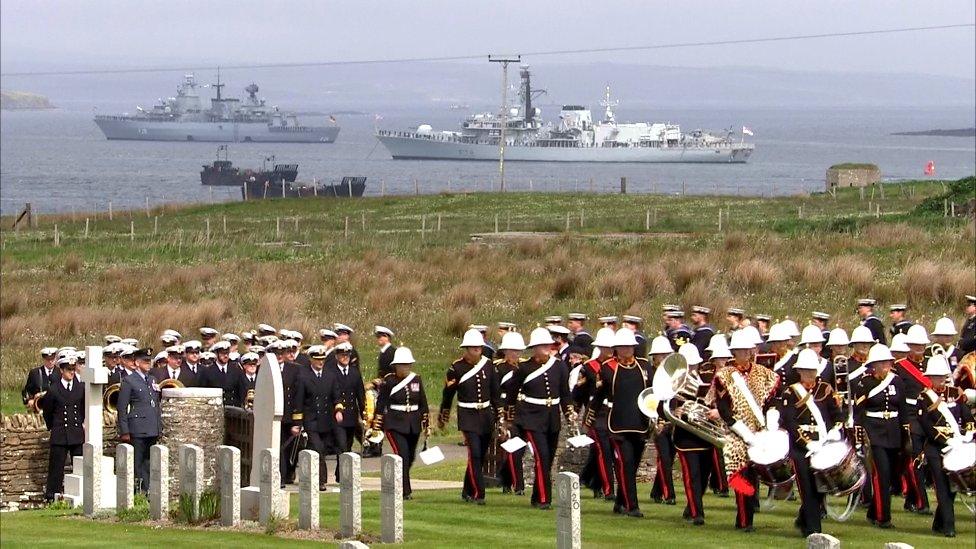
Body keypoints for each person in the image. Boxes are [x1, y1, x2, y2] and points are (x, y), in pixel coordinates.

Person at [713, 330, 780, 533]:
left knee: (755, 476)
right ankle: (744, 520)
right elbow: (724, 410)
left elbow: (772, 401)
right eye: (739, 351)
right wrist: (744, 433)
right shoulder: (723, 376)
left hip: (760, 431)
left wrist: (771, 423)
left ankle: (747, 516)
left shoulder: (764, 373)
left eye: (746, 350)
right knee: (740, 477)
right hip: (737, 432)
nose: (743, 354)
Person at [507, 327, 575, 510]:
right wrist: (509, 420)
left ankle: (538, 496)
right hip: (531, 418)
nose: (546, 347)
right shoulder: (524, 368)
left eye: (548, 344)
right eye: (542, 345)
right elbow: (512, 394)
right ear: (534, 347)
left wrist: (569, 413)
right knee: (541, 456)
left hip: (552, 418)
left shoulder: (560, 366)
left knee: (549, 458)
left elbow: (565, 393)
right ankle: (545, 499)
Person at [585, 329, 650, 518]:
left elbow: (652, 394)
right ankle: (632, 506)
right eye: (623, 346)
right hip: (617, 424)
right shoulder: (607, 368)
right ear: (616, 348)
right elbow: (597, 398)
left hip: (640, 423)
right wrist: (589, 421)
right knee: (626, 464)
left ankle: (620, 501)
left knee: (633, 465)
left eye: (630, 346)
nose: (627, 349)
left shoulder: (644, 367)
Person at [779, 348, 843, 537]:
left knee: (821, 487)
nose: (809, 374)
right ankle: (814, 530)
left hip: (822, 443)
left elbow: (838, 415)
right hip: (801, 448)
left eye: (812, 370)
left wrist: (835, 430)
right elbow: (790, 422)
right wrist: (806, 444)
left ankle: (803, 518)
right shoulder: (791, 393)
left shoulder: (825, 389)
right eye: (806, 370)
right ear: (799, 371)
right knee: (807, 488)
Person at [439, 328, 502, 504]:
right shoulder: (456, 367)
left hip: (486, 415)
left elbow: (495, 393)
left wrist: (500, 416)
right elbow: (448, 394)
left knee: (480, 455)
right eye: (473, 347)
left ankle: (467, 489)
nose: (476, 350)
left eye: (479, 347)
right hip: (467, 415)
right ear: (466, 348)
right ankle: (478, 493)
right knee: (474, 453)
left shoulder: (489, 365)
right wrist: (443, 417)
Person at [853, 343, 910, 529]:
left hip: (893, 432)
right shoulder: (865, 383)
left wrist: (905, 434)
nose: (886, 366)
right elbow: (859, 412)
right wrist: (860, 435)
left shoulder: (897, 381)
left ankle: (873, 512)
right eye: (882, 363)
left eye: (887, 362)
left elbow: (902, 409)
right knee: (881, 475)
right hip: (874, 432)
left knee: (892, 474)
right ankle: (883, 517)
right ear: (874, 365)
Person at [917, 353, 974, 538]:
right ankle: (949, 526)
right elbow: (927, 425)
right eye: (935, 377)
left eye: (941, 376)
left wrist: (969, 433)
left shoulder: (956, 394)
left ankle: (939, 522)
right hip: (935, 447)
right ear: (929, 378)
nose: (939, 380)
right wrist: (946, 440)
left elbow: (967, 417)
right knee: (942, 486)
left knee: (954, 487)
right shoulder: (924, 398)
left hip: (957, 445)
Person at [371, 347, 430, 500]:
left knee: (410, 457)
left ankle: (400, 481)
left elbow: (423, 403)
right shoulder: (389, 381)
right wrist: (376, 426)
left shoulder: (416, 379)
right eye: (402, 365)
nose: (405, 368)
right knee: (402, 455)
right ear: (396, 366)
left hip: (413, 424)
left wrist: (426, 424)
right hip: (395, 423)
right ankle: (406, 491)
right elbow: (381, 403)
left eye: (407, 364)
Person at [669, 343, 713, 525]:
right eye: (689, 365)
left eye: (694, 365)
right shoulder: (673, 381)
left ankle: (691, 507)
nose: (692, 368)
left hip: (705, 433)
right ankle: (697, 513)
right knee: (692, 475)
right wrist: (674, 411)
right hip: (685, 435)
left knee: (703, 476)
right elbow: (661, 404)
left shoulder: (706, 378)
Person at [893, 324, 932, 514]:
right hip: (910, 416)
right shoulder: (899, 367)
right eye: (915, 345)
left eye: (922, 345)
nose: (919, 349)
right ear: (908, 346)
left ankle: (910, 499)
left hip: (930, 415)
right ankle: (921, 501)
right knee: (914, 457)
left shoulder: (932, 363)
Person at [292, 345, 343, 489]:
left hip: (327, 421)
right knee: (318, 448)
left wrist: (338, 410)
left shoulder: (330, 375)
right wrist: (297, 423)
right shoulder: (303, 377)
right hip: (311, 420)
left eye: (323, 359)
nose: (321, 362)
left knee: (323, 450)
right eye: (317, 360)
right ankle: (321, 481)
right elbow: (299, 401)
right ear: (311, 359)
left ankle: (311, 475)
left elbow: (336, 396)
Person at [576, 328, 617, 500]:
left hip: (615, 413)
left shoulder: (618, 365)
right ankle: (607, 490)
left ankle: (590, 480)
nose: (608, 351)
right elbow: (579, 392)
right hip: (597, 414)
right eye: (605, 347)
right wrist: (576, 411)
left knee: (604, 453)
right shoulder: (588, 368)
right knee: (603, 452)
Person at [117, 348, 163, 494]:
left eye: (149, 361)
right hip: (137, 427)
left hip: (151, 426)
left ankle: (148, 489)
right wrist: (124, 430)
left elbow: (155, 404)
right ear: (137, 363)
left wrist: (158, 427)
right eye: (145, 361)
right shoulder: (129, 381)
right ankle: (138, 491)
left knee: (149, 462)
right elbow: (122, 407)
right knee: (138, 462)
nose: (148, 364)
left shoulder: (152, 379)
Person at [40, 354, 85, 501]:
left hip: (76, 434)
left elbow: (82, 410)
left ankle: (82, 495)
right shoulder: (53, 390)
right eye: (68, 369)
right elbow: (47, 412)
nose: (71, 372)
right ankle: (52, 496)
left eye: (73, 369)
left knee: (79, 467)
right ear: (61, 370)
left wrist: (79, 424)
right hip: (60, 434)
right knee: (56, 469)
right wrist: (53, 426)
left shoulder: (80, 388)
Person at [494, 331, 526, 495]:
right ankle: (517, 485)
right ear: (505, 351)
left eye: (518, 351)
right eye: (513, 351)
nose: (516, 354)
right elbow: (496, 393)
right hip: (507, 411)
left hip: (523, 411)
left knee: (516, 449)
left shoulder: (525, 367)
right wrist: (501, 417)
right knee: (512, 448)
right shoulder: (498, 368)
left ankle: (508, 481)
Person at [647, 335, 676, 505]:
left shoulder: (673, 374)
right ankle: (669, 494)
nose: (664, 358)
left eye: (666, 355)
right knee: (664, 458)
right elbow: (647, 399)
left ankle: (656, 491)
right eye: (661, 355)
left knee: (669, 459)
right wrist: (653, 420)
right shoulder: (650, 373)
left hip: (672, 421)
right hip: (658, 421)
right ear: (655, 356)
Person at [332, 342, 366, 459]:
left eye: (347, 355)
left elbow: (360, 395)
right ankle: (341, 473)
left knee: (348, 445)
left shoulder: (354, 373)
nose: (345, 358)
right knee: (341, 447)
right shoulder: (331, 373)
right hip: (337, 416)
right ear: (336, 356)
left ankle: (342, 473)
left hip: (351, 416)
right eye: (342, 355)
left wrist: (364, 414)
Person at [200, 341, 246, 406]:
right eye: (223, 353)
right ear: (216, 354)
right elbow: (205, 393)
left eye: (227, 353)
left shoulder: (236, 370)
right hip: (216, 407)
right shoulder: (208, 372)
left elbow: (242, 391)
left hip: (234, 408)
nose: (226, 356)